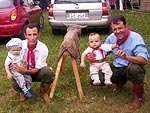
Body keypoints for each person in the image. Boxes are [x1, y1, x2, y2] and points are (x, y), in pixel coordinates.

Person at [87, 15, 149, 109]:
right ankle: (120, 81)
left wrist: (126, 57)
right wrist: (91, 57)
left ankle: (138, 97)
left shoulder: (136, 38)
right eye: (115, 29)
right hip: (118, 66)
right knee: (94, 80)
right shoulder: (111, 38)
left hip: (130, 66)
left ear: (126, 26)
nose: (118, 31)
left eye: (120, 28)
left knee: (134, 69)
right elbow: (102, 52)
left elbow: (144, 60)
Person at [11, 23, 55, 103]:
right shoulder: (19, 46)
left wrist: (23, 71)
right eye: (29, 35)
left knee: (48, 72)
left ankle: (43, 92)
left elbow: (37, 69)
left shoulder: (43, 48)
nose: (32, 38)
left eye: (34, 34)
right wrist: (17, 69)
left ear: (39, 35)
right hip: (23, 72)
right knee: (15, 74)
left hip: (37, 72)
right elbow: (13, 60)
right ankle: (23, 92)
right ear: (25, 35)